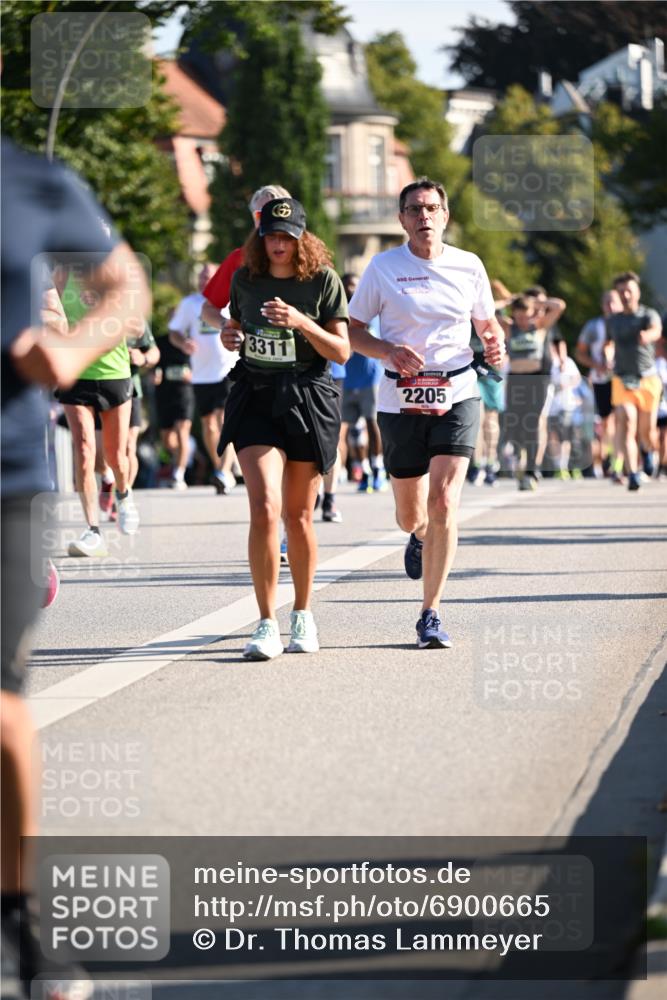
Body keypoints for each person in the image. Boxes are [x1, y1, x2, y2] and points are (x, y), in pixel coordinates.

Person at [1, 135, 150, 1000]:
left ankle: (19, 912)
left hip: (8, 479)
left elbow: (124, 284)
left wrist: (68, 351)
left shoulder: (34, 179)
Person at [348, 177, 505, 649]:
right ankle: (417, 534)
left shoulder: (468, 265)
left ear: (445, 215)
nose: (424, 217)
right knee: (411, 512)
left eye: (432, 208)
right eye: (414, 209)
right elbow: (353, 331)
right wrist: (388, 351)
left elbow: (487, 323)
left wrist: (493, 341)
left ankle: (430, 612)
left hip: (457, 390)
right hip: (400, 399)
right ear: (401, 219)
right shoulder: (383, 267)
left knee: (444, 502)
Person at [219, 197, 349, 659]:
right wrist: (229, 335)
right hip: (256, 395)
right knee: (264, 506)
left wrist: (299, 321)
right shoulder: (245, 279)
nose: (277, 244)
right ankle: (266, 622)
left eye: (286, 237)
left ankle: (303, 615)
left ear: (302, 238)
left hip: (308, 397)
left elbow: (341, 351)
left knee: (298, 516)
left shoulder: (322, 281)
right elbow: (234, 325)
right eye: (270, 236)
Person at [55, 241, 142, 552]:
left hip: (114, 373)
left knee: (116, 456)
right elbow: (52, 312)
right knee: (83, 446)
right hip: (75, 372)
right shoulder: (63, 273)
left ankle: (124, 493)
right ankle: (92, 528)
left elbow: (137, 324)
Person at [168, 264, 238, 494]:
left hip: (229, 369)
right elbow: (175, 331)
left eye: (209, 276)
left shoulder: (231, 300)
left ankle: (224, 470)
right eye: (201, 277)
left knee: (226, 421)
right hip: (201, 374)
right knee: (209, 426)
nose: (204, 280)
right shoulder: (190, 304)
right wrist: (183, 343)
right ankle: (221, 468)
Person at [500, 292, 566, 490]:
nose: (522, 320)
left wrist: (537, 302)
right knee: (516, 425)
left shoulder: (539, 327)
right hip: (515, 381)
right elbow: (487, 312)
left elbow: (559, 305)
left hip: (537, 380)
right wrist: (508, 301)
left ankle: (531, 468)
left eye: (526, 315)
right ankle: (520, 458)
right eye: (518, 316)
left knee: (534, 421)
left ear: (533, 313)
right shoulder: (509, 328)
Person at [605, 271, 663, 490]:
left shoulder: (647, 314)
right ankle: (633, 473)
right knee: (626, 422)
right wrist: (608, 354)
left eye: (629, 290)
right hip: (622, 379)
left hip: (647, 379)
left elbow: (656, 330)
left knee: (646, 432)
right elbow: (609, 343)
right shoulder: (613, 320)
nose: (626, 294)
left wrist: (648, 336)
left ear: (637, 292)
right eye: (621, 291)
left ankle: (647, 451)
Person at [339, 272, 386, 494]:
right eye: (347, 285)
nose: (351, 289)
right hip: (348, 378)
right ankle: (363, 470)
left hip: (369, 378)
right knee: (352, 428)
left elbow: (368, 338)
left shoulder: (368, 312)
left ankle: (378, 468)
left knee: (371, 422)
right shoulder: (339, 314)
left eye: (354, 286)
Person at [575, 289, 623, 478]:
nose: (611, 306)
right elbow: (580, 352)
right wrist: (596, 364)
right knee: (606, 421)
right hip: (601, 379)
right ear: (602, 305)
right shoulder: (593, 326)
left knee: (623, 418)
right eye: (607, 303)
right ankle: (608, 459)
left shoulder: (628, 323)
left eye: (614, 302)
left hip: (623, 378)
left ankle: (619, 461)